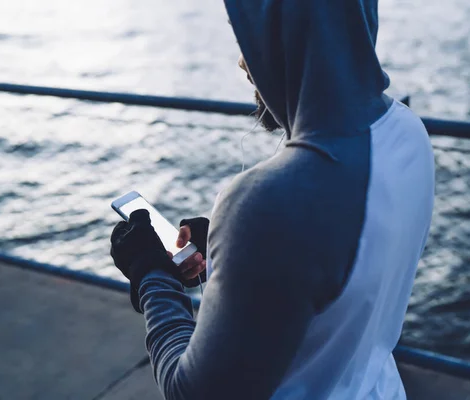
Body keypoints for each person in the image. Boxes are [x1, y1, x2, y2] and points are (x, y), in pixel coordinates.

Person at [109, 0, 435, 398]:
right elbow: (343, 271)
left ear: (285, 29)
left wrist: (152, 274)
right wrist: (228, 255)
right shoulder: (408, 133)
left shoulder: (270, 203)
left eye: (247, 31)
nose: (244, 64)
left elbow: (191, 394)